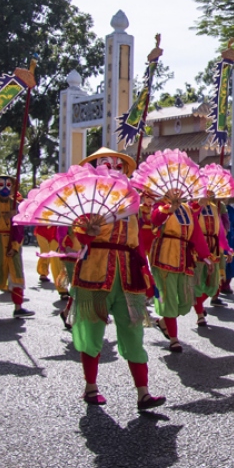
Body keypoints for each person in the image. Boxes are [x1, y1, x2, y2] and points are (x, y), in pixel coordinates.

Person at [69, 148, 165, 411]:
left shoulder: (132, 203)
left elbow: (138, 246)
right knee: (91, 333)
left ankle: (143, 394)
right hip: (93, 273)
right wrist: (87, 231)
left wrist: (147, 276)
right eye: (105, 164)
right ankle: (90, 388)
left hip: (128, 276)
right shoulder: (85, 200)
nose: (112, 168)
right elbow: (80, 235)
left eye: (118, 165)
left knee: (134, 334)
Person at [148, 192, 212, 353]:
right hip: (164, 256)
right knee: (169, 299)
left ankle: (164, 322)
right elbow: (155, 220)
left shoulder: (187, 208)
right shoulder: (159, 205)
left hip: (184, 258)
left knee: (185, 301)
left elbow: (196, 234)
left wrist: (206, 257)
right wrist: (169, 208)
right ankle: (174, 339)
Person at [0, 175, 33, 318]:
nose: (5, 188)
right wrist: (6, 217)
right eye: (1, 185)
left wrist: (15, 246)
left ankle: (18, 307)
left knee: (16, 275)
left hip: (13, 242)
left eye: (8, 185)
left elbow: (19, 228)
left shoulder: (17, 205)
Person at [190, 183, 231, 326]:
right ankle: (200, 313)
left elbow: (219, 231)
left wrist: (227, 248)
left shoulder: (214, 208)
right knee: (197, 284)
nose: (209, 194)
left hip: (213, 250)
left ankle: (196, 303)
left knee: (213, 285)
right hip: (196, 250)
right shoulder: (192, 207)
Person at [222, 194, 234, 295]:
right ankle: (219, 285)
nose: (226, 199)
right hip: (221, 239)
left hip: (231, 240)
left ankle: (226, 285)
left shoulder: (232, 211)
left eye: (227, 198)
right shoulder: (217, 210)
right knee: (222, 261)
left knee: (231, 262)